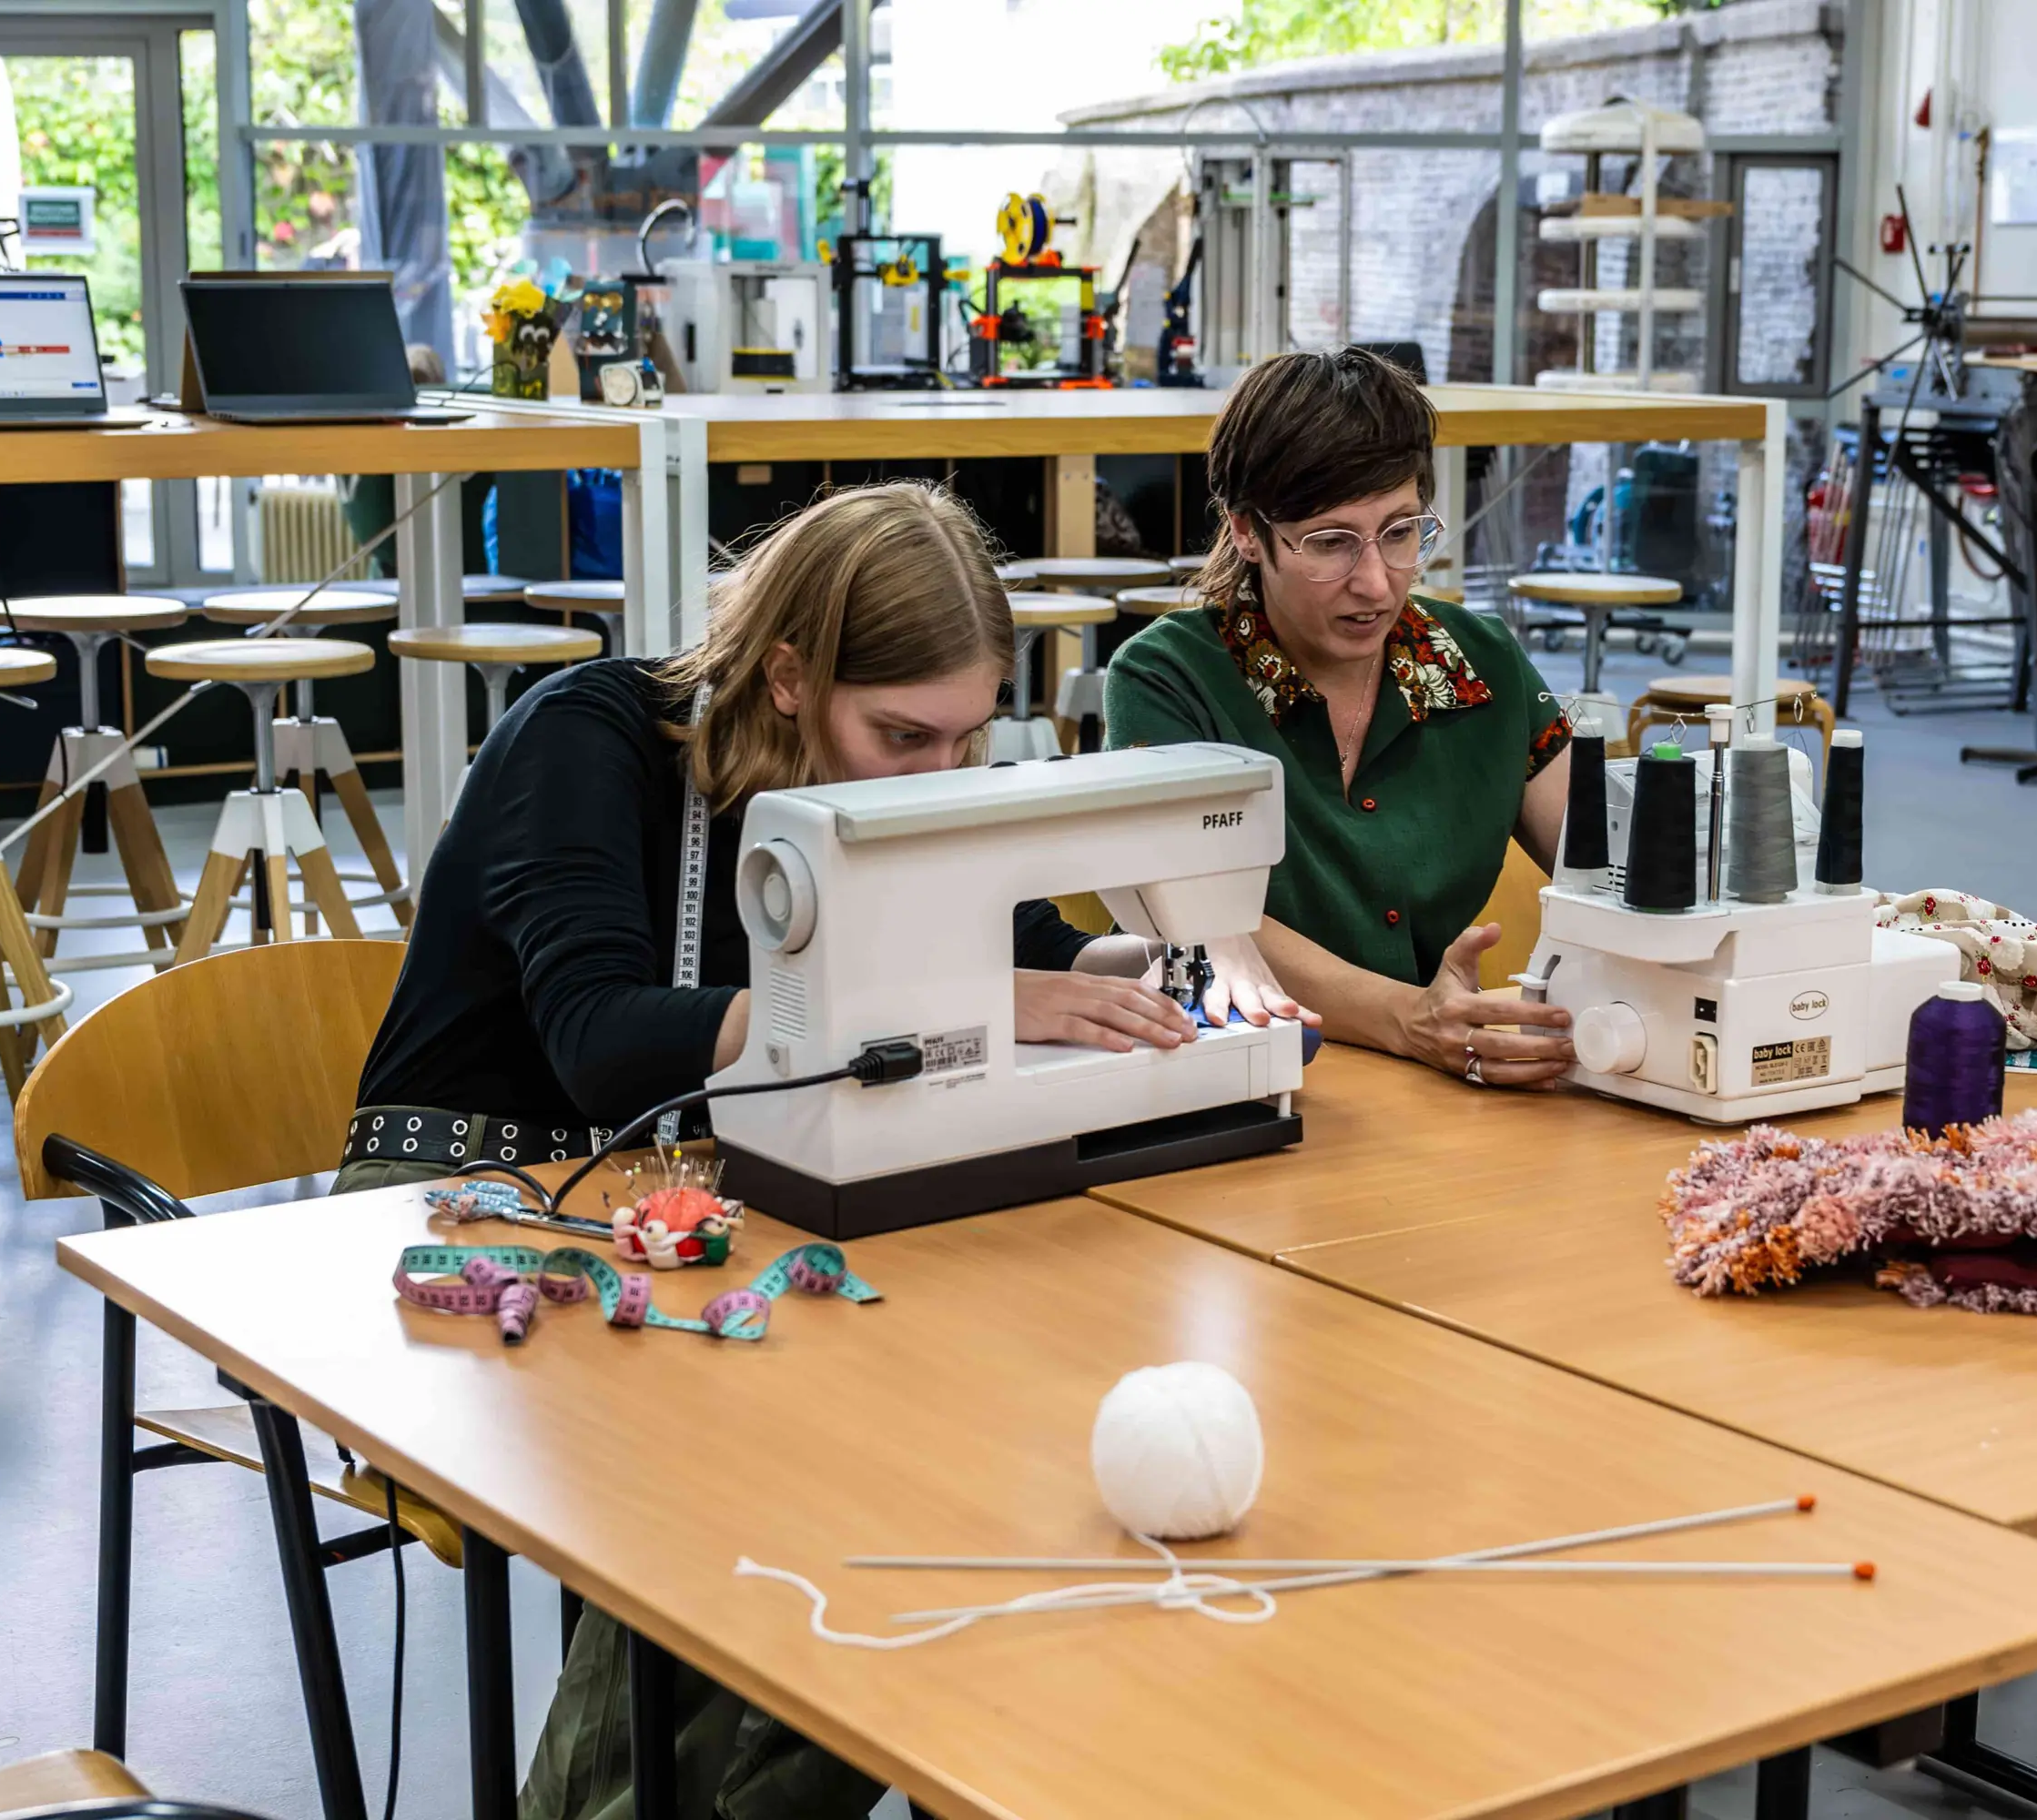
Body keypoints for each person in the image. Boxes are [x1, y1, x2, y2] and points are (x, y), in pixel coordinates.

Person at [344, 481, 1209, 1820]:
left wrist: (1170, 960)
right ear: (791, 676)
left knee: (949, 1472)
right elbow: (600, 1040)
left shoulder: (900, 783)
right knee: (736, 1462)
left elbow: (1024, 943)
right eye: (901, 736)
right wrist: (955, 1005)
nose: (937, 778)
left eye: (968, 741)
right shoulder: (588, 736)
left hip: (706, 1187)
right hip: (476, 1190)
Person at [1106, 347, 1578, 1089]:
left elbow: (1603, 868)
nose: (1376, 583)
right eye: (1330, 543)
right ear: (1245, 530)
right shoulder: (1170, 680)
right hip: (1243, 1070)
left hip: (1431, 1076)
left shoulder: (1480, 662)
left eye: (1400, 532)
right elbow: (1199, 918)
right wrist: (1410, 1017)